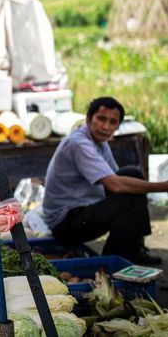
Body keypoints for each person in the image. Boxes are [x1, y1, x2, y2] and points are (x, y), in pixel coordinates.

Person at [42, 97, 168, 265]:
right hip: (65, 222)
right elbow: (115, 185)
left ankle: (136, 247)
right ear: (88, 119)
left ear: (117, 127)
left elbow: (117, 177)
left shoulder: (100, 142)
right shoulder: (79, 143)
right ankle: (114, 264)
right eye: (101, 119)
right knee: (130, 199)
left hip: (82, 209)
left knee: (133, 174)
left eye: (112, 122)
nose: (105, 126)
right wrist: (163, 186)